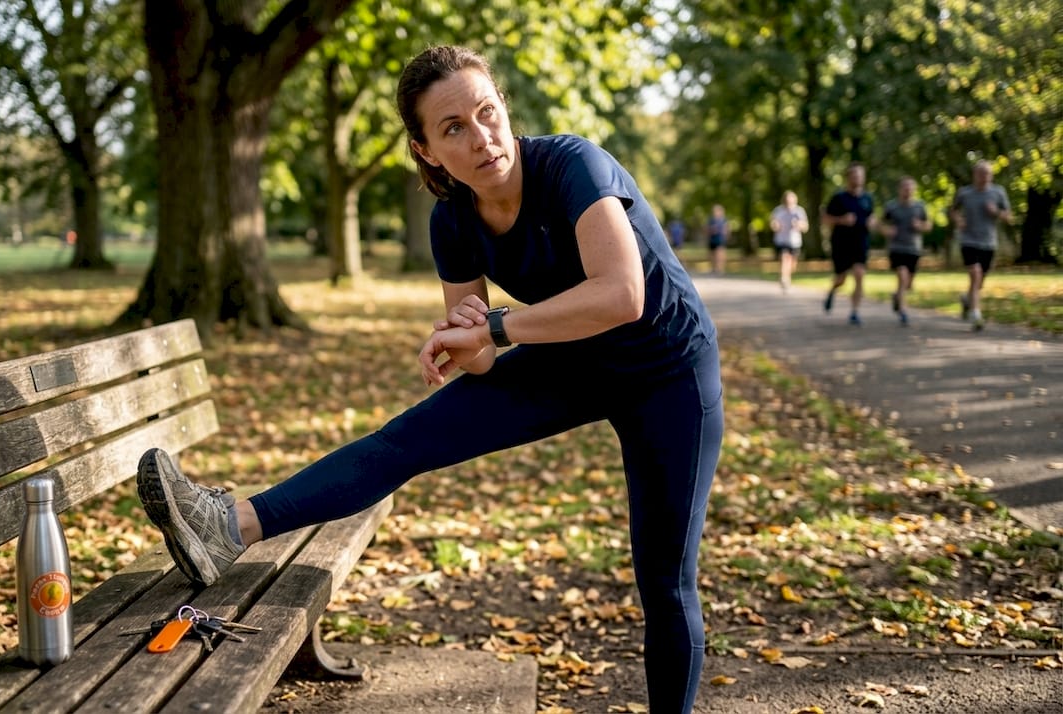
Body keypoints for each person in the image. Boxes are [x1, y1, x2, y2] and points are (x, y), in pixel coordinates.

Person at [135, 46, 722, 714]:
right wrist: (462, 343)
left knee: (665, 578)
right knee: (404, 441)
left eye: (487, 113)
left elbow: (622, 295)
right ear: (427, 151)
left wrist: (495, 326)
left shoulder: (573, 167)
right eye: (453, 129)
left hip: (667, 369)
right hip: (571, 360)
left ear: (503, 107)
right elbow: (482, 360)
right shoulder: (454, 222)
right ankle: (229, 526)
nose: (483, 138)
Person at [950, 160, 1011, 331]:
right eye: (981, 173)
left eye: (988, 173)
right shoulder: (964, 193)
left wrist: (996, 212)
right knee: (975, 274)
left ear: (991, 175)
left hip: (989, 242)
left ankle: (967, 300)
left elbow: (1009, 217)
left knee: (979, 282)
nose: (985, 177)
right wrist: (958, 220)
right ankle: (976, 314)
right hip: (968, 240)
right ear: (974, 175)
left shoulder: (998, 193)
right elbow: (953, 210)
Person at [821, 163, 875, 325]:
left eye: (860, 176)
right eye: (854, 176)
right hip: (841, 243)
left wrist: (873, 222)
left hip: (861, 242)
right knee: (841, 279)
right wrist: (841, 220)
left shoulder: (868, 198)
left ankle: (854, 312)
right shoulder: (839, 198)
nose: (857, 179)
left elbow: (872, 216)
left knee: (859, 274)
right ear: (848, 178)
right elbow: (825, 219)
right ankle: (832, 291)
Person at [880, 177, 932, 326]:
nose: (908, 190)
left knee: (908, 284)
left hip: (914, 248)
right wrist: (887, 230)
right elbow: (880, 223)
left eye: (910, 188)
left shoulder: (920, 206)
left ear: (914, 190)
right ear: (900, 189)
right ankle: (903, 312)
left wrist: (920, 225)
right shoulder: (892, 207)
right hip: (896, 248)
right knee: (902, 276)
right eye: (905, 187)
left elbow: (928, 225)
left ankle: (897, 296)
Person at [769, 190, 808, 293]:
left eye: (791, 200)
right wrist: (775, 226)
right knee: (784, 258)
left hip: (795, 241)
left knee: (792, 264)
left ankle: (787, 276)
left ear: (795, 200)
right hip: (781, 240)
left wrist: (799, 225)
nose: (789, 202)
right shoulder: (778, 210)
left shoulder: (799, 211)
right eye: (787, 200)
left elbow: (805, 227)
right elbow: (773, 223)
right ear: (784, 200)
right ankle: (784, 278)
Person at [706, 204, 729, 275]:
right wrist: (711, 230)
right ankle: (713, 268)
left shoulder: (723, 220)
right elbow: (707, 229)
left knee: (720, 254)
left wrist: (725, 235)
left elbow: (726, 229)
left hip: (720, 239)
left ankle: (720, 269)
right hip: (712, 239)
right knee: (712, 254)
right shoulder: (711, 220)